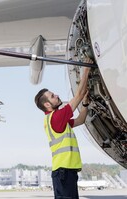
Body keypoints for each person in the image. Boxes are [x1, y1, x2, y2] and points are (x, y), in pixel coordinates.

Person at [34, 64, 91, 199]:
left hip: (64, 172)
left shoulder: (54, 120)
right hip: (64, 171)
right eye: (53, 96)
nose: (57, 95)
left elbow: (80, 120)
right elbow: (79, 95)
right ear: (47, 104)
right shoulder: (57, 117)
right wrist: (87, 69)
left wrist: (85, 105)